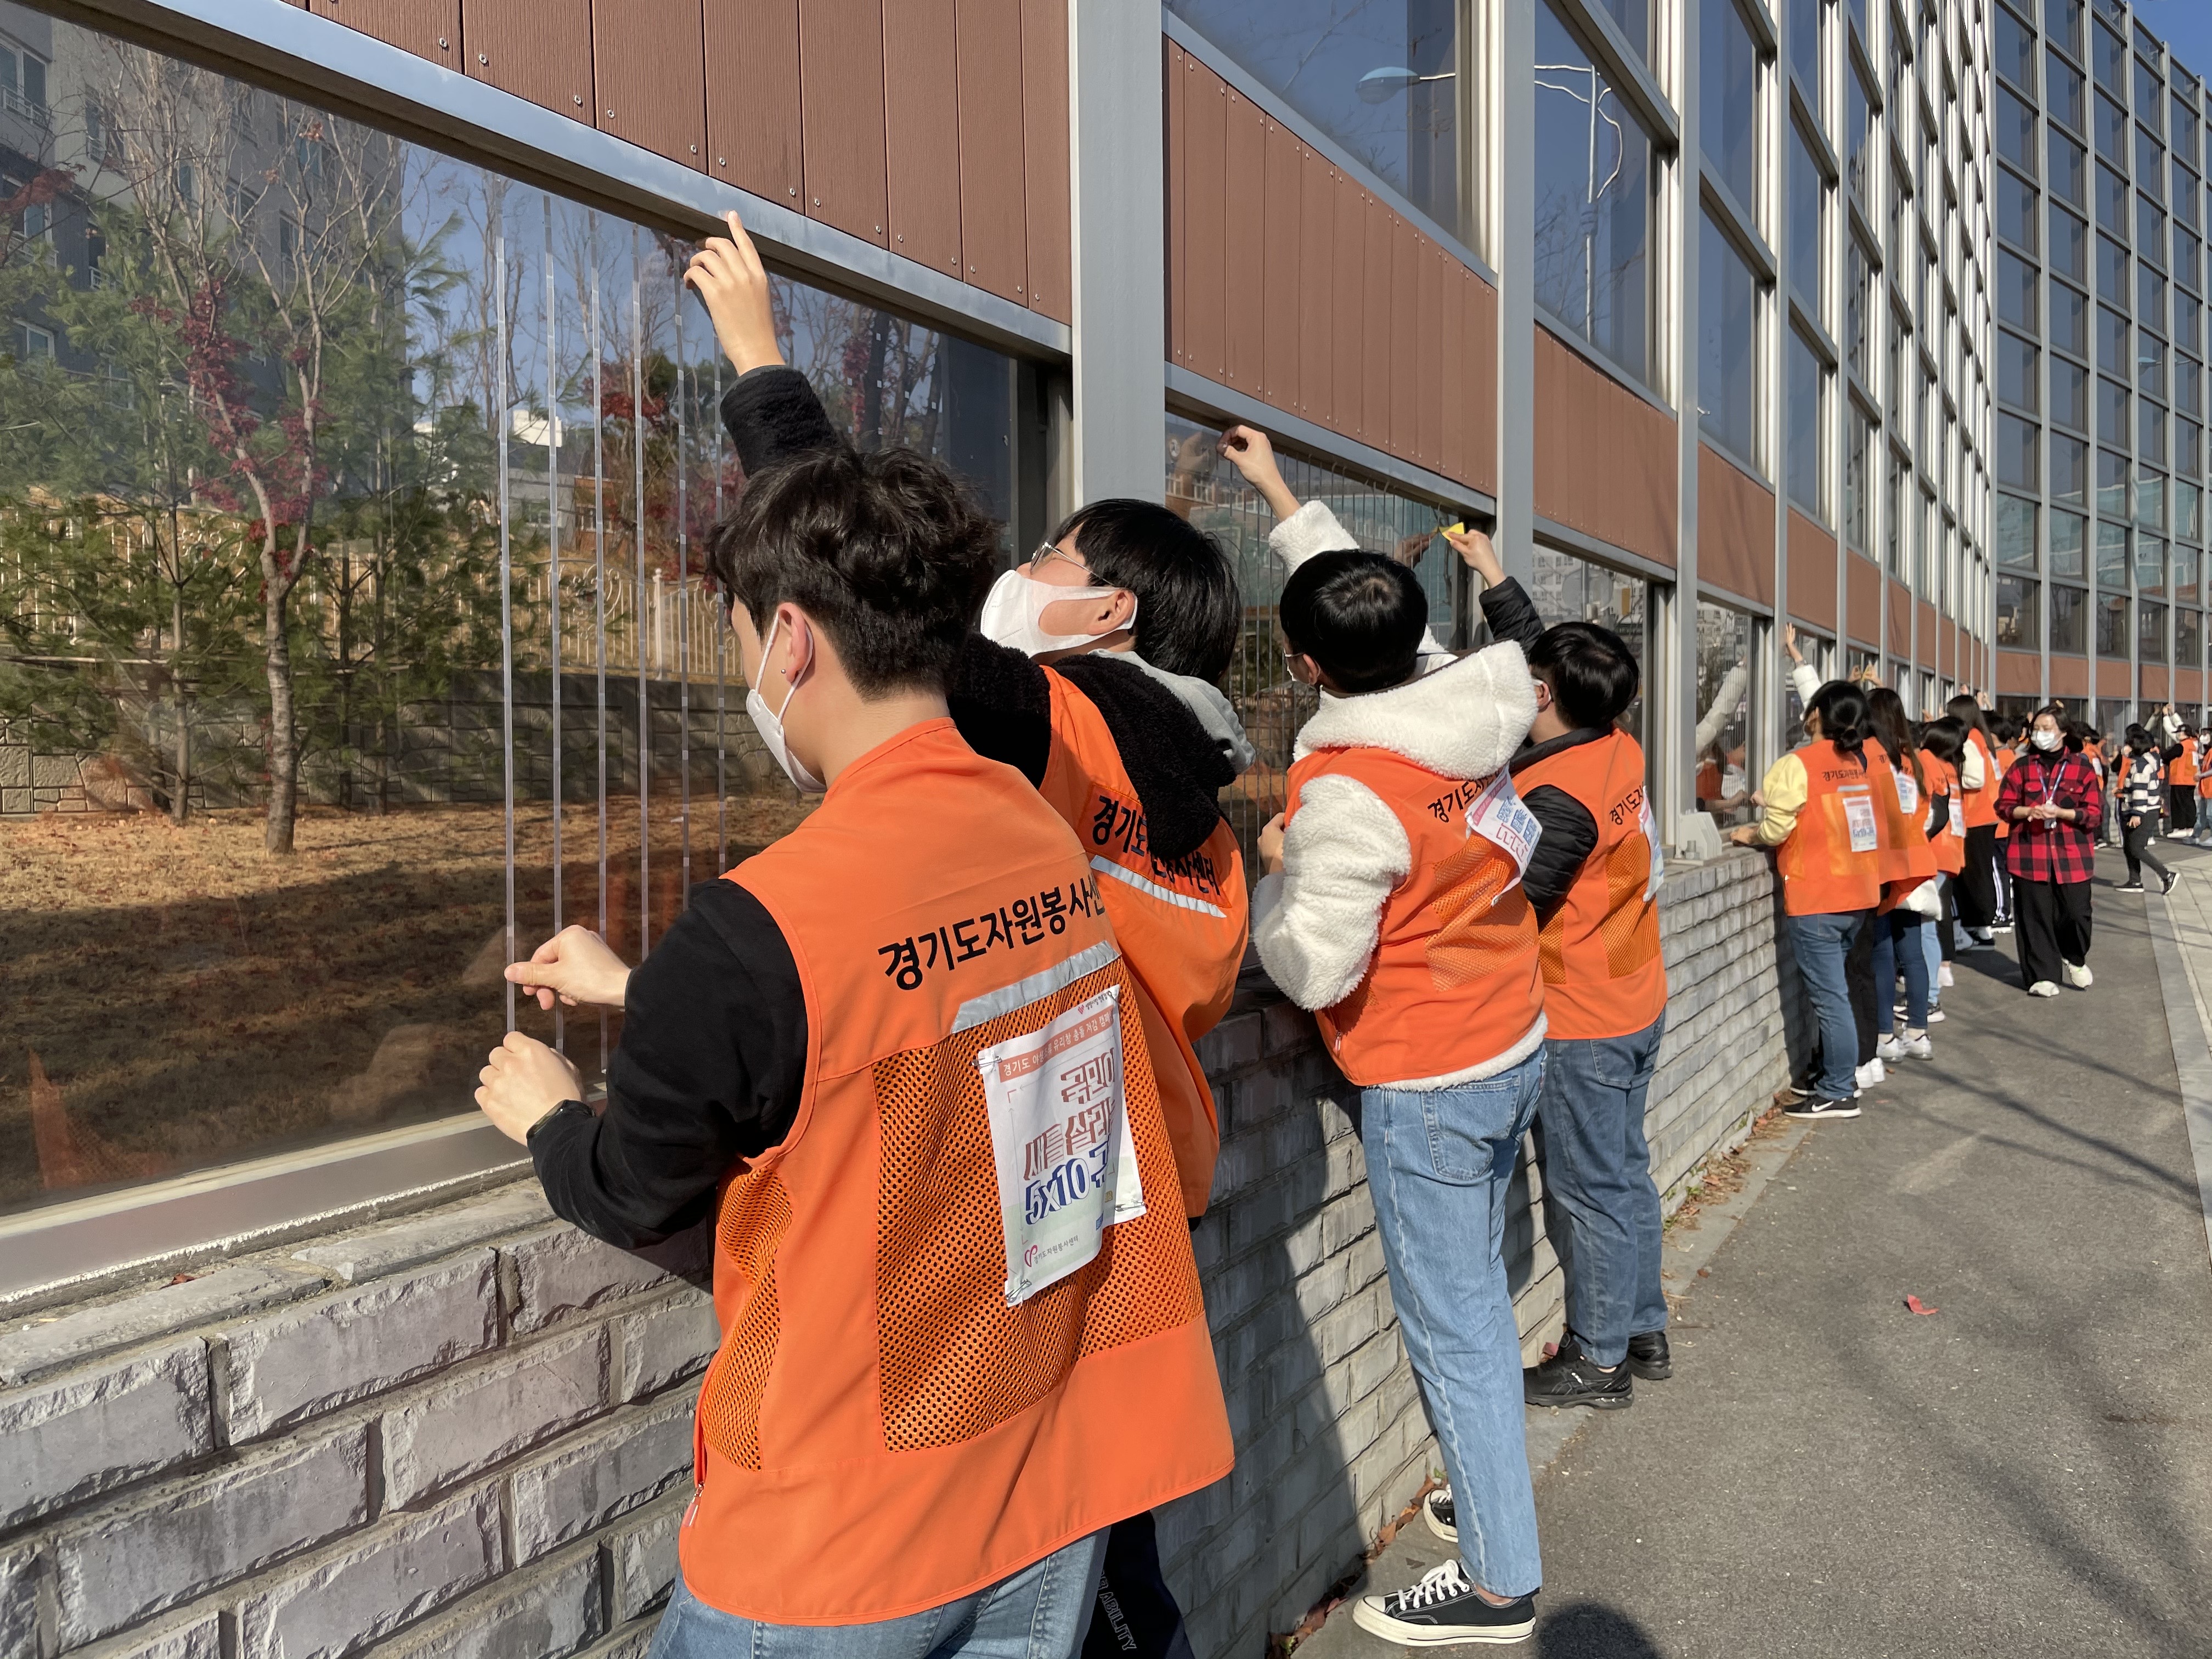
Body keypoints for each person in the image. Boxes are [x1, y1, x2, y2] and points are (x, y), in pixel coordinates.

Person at [470, 441, 1233, 1658]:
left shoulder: (754, 928)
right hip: (1045, 1481)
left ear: (789, 639)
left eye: (732, 642)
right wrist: (648, 992)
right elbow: (909, 1023)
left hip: (842, 1539)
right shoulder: (1046, 848)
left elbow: (636, 1181)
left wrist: (554, 1115)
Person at [682, 211, 1252, 1658]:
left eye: (1059, 553)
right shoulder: (1208, 800)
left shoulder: (1057, 732)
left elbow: (870, 585)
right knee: (1104, 1540)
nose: (1031, 567)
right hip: (1129, 1182)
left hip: (1037, 1200)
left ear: (1108, 607)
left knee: (1093, 1566)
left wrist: (761, 368)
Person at [1250, 548, 1547, 1646]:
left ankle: (1498, 1582)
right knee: (1479, 1305)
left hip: (1427, 1075)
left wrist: (1276, 873)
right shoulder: (1475, 715)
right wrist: (1288, 503)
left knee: (1452, 1323)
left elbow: (1318, 969)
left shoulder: (1351, 791)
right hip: (1512, 1032)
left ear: (1306, 665)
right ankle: (1490, 1493)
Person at [1730, 682, 1893, 1121]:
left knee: (1830, 998)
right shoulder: (1856, 762)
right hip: (1858, 893)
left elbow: (1778, 828)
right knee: (1836, 992)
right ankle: (1836, 1081)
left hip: (1817, 896)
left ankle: (1839, 1089)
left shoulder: (1797, 763)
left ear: (1817, 714)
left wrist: (1750, 832)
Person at [1994, 704, 2104, 996]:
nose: (2040, 735)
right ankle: (2041, 976)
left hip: (2073, 854)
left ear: (2063, 733)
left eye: (2047, 729)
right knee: (2035, 915)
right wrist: (2027, 811)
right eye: (2036, 729)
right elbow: (2003, 806)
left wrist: (2065, 814)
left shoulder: (2082, 767)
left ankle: (2074, 955)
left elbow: (2094, 813)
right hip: (2030, 853)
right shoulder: (2021, 766)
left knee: (2077, 913)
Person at [1866, 688, 1937, 1061]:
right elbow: (1932, 813)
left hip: (1881, 865)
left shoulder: (1871, 760)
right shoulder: (1917, 760)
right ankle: (1919, 1031)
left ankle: (1884, 1036)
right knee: (1912, 952)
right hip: (1915, 862)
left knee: (1880, 953)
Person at [1916, 718, 1970, 1023]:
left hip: (1933, 853)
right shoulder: (1950, 769)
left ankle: (1930, 998)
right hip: (1949, 853)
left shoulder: (1927, 762)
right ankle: (1931, 992)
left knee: (1925, 929)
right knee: (1929, 926)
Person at [1948, 695, 2003, 949]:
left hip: (1974, 816)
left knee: (1973, 874)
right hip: (1986, 815)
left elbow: (1975, 779)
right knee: (1980, 872)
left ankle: (1979, 927)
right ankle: (1981, 925)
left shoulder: (1969, 739)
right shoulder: (1983, 738)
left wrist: (1952, 779)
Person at [2118, 723, 2179, 895]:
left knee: (2136, 848)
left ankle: (2167, 875)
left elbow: (2140, 791)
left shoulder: (2141, 765)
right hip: (2145, 808)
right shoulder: (2149, 760)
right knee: (2129, 847)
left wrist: (2137, 813)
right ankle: (2135, 881)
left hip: (2143, 810)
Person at [2166, 721, 2200, 839]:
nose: (2178, 735)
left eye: (2179, 733)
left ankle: (2180, 828)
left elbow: (2166, 756)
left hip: (2179, 779)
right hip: (2190, 779)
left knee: (2178, 805)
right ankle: (2190, 827)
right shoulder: (2193, 745)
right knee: (2189, 803)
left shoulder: (2181, 746)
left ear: (2185, 733)